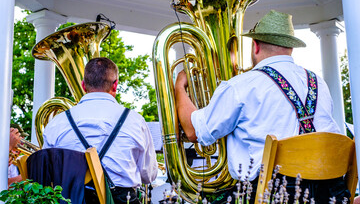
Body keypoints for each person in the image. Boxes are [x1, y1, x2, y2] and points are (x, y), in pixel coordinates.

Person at [175, 10, 347, 203]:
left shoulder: (242, 85)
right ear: (290, 48)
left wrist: (179, 87)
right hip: (332, 193)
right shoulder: (318, 83)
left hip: (274, 195)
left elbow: (193, 131)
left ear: (255, 46)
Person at [43, 57, 158, 204]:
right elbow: (149, 175)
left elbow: (46, 174)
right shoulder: (135, 121)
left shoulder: (56, 123)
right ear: (115, 85)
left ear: (83, 85)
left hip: (71, 200)